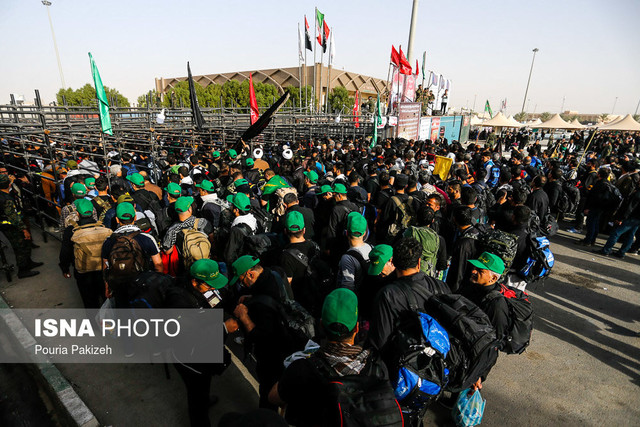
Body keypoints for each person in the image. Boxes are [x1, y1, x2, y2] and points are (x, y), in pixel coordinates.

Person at [268, 288, 394, 427]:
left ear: (321, 325)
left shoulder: (303, 369)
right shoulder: (376, 366)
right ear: (357, 328)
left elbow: (274, 397)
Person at [229, 255, 294, 410]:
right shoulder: (273, 274)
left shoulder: (262, 306)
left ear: (251, 274)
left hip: (272, 354)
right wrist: (253, 296)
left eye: (241, 279)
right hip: (287, 343)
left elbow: (261, 337)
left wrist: (244, 317)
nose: (241, 284)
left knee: (267, 391)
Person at [369, 236, 450, 351]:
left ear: (393, 262)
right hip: (438, 361)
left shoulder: (388, 295)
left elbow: (380, 342)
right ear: (419, 261)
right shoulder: (441, 287)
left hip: (403, 364)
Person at [59, 199, 113, 308]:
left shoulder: (71, 230)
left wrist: (65, 268)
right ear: (93, 212)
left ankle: (94, 323)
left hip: (83, 272)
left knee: (89, 301)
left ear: (78, 213)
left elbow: (66, 251)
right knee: (106, 299)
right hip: (103, 269)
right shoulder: (103, 227)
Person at [461, 252, 509, 346]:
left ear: (493, 278)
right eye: (474, 268)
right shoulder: (471, 286)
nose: (473, 271)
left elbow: (497, 337)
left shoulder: (496, 303)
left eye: (480, 270)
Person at [0, 174, 42, 278]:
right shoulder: (6, 199)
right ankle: (23, 270)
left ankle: (28, 262)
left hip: (10, 226)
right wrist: (24, 230)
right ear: (9, 184)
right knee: (20, 247)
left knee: (25, 244)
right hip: (12, 227)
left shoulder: (3, 195)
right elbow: (13, 217)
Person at [336, 212, 372, 293]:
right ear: (365, 233)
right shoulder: (370, 248)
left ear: (347, 232)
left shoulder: (347, 258)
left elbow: (347, 285)